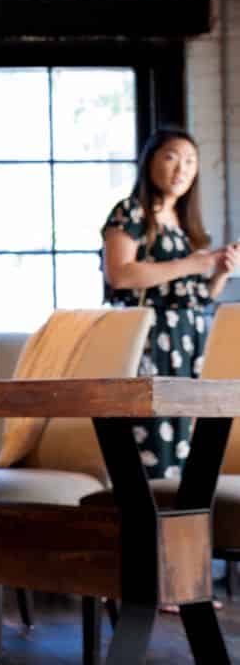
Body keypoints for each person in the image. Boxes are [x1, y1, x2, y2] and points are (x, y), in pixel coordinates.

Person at [102, 127, 239, 482]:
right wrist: (193, 264)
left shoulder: (184, 224)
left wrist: (218, 274)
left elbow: (197, 297)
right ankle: (149, 529)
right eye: (172, 157)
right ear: (150, 162)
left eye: (191, 161)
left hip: (189, 344)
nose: (182, 168)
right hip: (149, 343)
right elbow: (120, 275)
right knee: (151, 442)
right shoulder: (131, 212)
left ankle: (182, 531)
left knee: (186, 446)